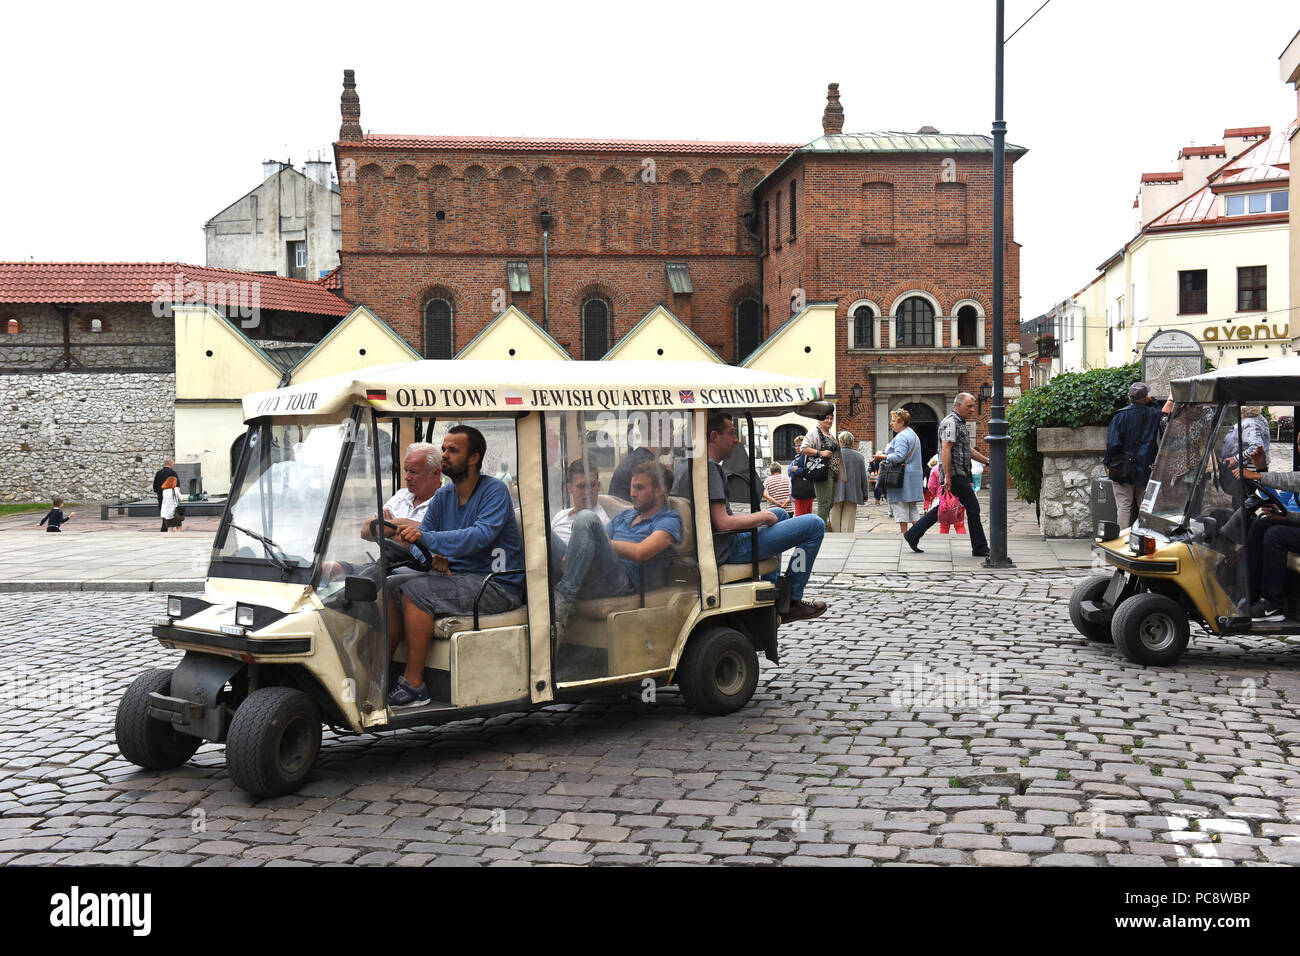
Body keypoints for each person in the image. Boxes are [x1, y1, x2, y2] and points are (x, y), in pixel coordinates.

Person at [387, 425, 525, 708]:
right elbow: (422, 541)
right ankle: (382, 674)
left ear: (474, 458)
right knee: (387, 586)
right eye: (444, 448)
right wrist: (433, 551)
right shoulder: (443, 496)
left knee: (416, 591)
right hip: (457, 578)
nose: (444, 455)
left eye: (453, 450)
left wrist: (429, 540)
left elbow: (479, 535)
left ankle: (415, 686)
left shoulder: (494, 491)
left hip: (496, 585)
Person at [675, 411, 827, 622]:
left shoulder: (688, 463)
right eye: (731, 433)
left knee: (779, 513)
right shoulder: (708, 469)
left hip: (713, 543)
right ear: (714, 437)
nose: (736, 440)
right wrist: (761, 517)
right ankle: (792, 600)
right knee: (815, 525)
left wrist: (764, 515)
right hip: (727, 548)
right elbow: (723, 523)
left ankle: (770, 591)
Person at [552, 462, 682, 634]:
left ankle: (563, 599)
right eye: (632, 487)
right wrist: (575, 550)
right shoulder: (625, 516)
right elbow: (594, 542)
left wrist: (599, 542)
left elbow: (641, 552)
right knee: (543, 532)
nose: (632, 493)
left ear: (660, 490)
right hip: (596, 573)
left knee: (586, 517)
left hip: (622, 582)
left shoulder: (669, 521)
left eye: (639, 488)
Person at [322, 442, 443, 582]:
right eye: (406, 470)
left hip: (415, 574)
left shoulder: (444, 502)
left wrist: (388, 526)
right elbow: (366, 531)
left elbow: (422, 545)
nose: (406, 477)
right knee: (325, 569)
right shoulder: (401, 495)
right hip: (382, 566)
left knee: (369, 587)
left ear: (435, 473)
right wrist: (405, 527)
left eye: (414, 472)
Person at [904, 392, 989, 556]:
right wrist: (948, 476)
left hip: (958, 473)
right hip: (955, 473)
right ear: (958, 405)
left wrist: (986, 461)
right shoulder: (951, 423)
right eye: (969, 406)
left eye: (973, 406)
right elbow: (946, 449)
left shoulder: (959, 423)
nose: (972, 409)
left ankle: (913, 534)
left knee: (944, 506)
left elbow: (968, 450)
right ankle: (980, 547)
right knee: (973, 507)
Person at [1104, 382, 1164, 526]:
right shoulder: (1153, 414)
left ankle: (1122, 536)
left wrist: (1108, 463)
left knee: (1124, 507)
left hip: (1123, 468)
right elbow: (1160, 410)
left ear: (1129, 396)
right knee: (1145, 507)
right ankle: (1144, 535)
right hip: (1146, 466)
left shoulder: (1120, 416)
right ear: (1146, 397)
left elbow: (1113, 444)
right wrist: (1152, 401)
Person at [874, 410, 924, 536]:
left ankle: (904, 535)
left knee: (900, 506)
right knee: (912, 508)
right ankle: (918, 534)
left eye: (893, 421)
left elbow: (899, 457)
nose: (891, 423)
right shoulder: (912, 434)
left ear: (901, 423)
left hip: (901, 477)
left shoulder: (901, 436)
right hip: (912, 476)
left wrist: (882, 456)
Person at [551, 459, 612, 546]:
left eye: (592, 485)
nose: (588, 491)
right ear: (569, 488)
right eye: (581, 486)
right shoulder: (560, 515)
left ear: (598, 486)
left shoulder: (601, 522)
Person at [804, 411, 841, 527]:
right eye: (826, 418)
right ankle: (819, 528)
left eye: (831, 418)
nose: (829, 421)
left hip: (833, 473)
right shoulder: (814, 432)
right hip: (822, 472)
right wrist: (820, 452)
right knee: (823, 503)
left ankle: (818, 523)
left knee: (830, 502)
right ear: (820, 420)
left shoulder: (830, 434)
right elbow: (804, 448)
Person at [830, 431, 867, 532]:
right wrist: (865, 494)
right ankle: (846, 537)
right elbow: (863, 476)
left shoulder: (833, 455)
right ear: (852, 442)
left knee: (834, 517)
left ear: (840, 441)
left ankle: (835, 537)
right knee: (849, 519)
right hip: (853, 491)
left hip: (835, 491)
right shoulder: (859, 456)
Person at [788, 444, 816, 516]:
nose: (797, 448)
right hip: (808, 489)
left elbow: (808, 471)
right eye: (796, 446)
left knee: (800, 514)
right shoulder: (799, 457)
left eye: (799, 445)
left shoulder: (804, 456)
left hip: (802, 489)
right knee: (808, 513)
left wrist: (796, 470)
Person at [153, 458, 178, 533]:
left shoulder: (158, 473)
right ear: (170, 464)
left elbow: (155, 485)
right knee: (170, 511)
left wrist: (158, 492)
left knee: (163, 510)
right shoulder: (173, 473)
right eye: (173, 463)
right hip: (170, 495)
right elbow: (177, 485)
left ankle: (165, 527)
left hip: (161, 495)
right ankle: (166, 527)